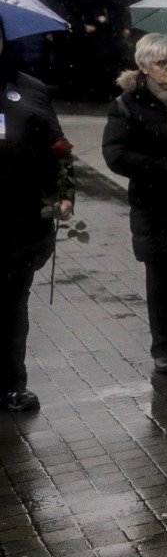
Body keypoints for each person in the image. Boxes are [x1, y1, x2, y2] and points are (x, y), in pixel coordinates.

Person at [102, 33, 167, 375]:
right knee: (160, 282)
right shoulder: (128, 103)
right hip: (153, 206)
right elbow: (116, 155)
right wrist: (166, 171)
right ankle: (164, 348)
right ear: (143, 66)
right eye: (162, 62)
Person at [0, 21, 74, 412]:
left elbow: (57, 145)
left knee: (13, 303)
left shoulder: (30, 88)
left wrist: (64, 192)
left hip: (19, 217)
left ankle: (13, 383)